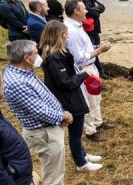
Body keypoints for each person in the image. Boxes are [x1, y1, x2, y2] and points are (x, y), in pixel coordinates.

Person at [3, 39, 84, 185]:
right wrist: (63, 116)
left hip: (48, 128)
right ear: (26, 57)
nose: (38, 56)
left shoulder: (24, 72)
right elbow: (38, 110)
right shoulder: (17, 82)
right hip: (43, 132)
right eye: (35, 53)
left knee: (56, 166)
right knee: (52, 171)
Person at [41, 20, 104, 173]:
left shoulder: (56, 54)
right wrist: (82, 75)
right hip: (68, 98)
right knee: (75, 132)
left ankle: (82, 154)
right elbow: (65, 82)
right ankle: (81, 163)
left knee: (77, 131)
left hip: (69, 96)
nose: (68, 38)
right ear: (59, 36)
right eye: (66, 35)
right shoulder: (55, 57)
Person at [64, 0, 113, 141]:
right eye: (84, 8)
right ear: (76, 11)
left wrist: (97, 47)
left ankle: (97, 122)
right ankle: (91, 131)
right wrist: (99, 52)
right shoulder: (71, 30)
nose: (87, 11)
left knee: (96, 97)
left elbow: (84, 49)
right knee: (89, 100)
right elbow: (78, 57)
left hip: (90, 66)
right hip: (83, 69)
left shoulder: (78, 26)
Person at [67, 0, 108, 79]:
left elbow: (102, 6)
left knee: (94, 49)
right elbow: (91, 12)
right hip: (86, 28)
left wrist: (94, 10)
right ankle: (95, 73)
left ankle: (98, 72)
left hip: (93, 28)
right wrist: (93, 11)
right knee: (89, 51)